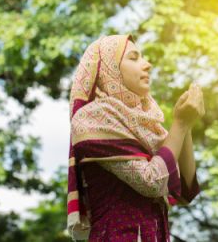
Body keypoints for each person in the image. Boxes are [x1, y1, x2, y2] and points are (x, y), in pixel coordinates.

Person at [67, 34, 205, 242]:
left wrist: (187, 125)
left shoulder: (146, 125)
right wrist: (180, 124)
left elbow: (186, 191)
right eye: (133, 57)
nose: (147, 64)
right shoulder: (91, 119)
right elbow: (151, 181)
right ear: (109, 68)